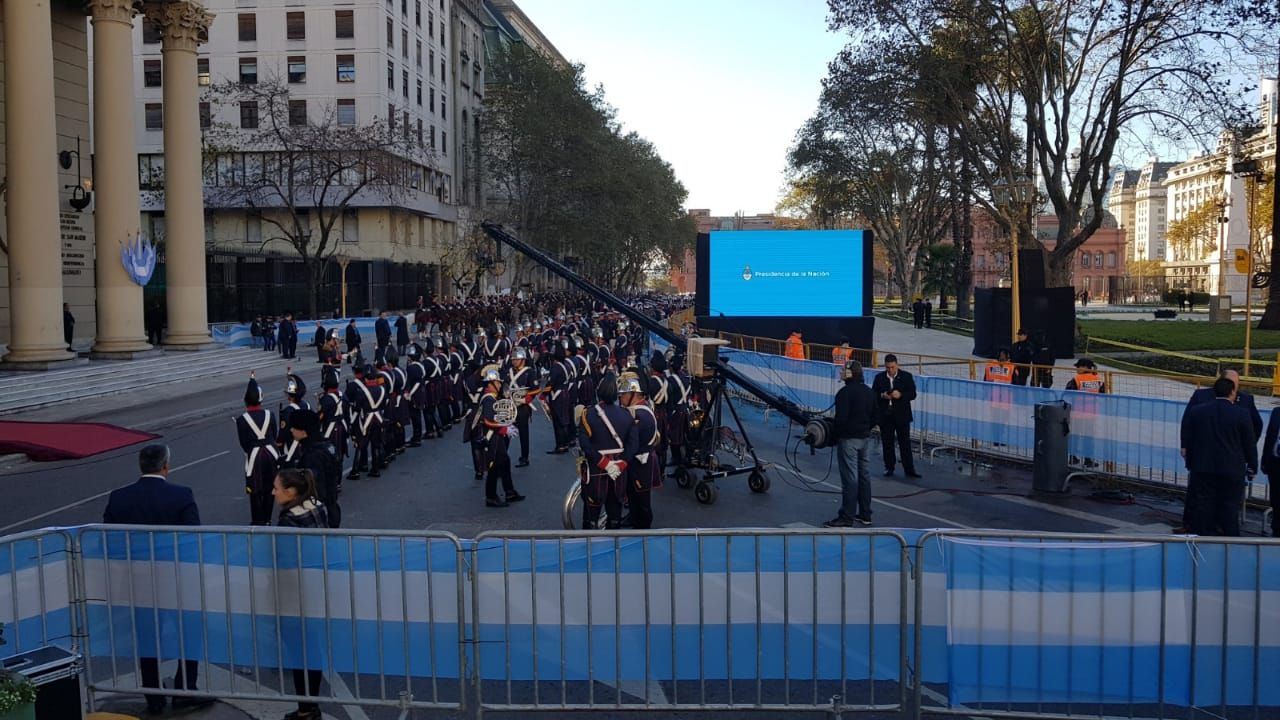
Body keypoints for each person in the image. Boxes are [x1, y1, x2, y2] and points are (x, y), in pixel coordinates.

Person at [103, 444, 213, 715]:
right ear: (166, 466)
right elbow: (191, 539)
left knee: (147, 638)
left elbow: (109, 542)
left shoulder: (119, 498)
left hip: (138, 581)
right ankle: (184, 689)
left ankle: (153, 696)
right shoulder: (181, 495)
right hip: (176, 580)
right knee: (189, 634)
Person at [272, 468, 330, 720]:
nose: (273, 492)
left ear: (291, 491)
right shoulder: (317, 504)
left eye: (277, 487)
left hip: (296, 595)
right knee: (311, 649)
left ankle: (306, 709)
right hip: (317, 586)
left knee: (299, 652)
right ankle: (312, 704)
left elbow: (286, 564)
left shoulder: (288, 520)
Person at [1181, 368, 1262, 531]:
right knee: (1227, 507)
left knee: (1205, 505)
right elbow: (1249, 441)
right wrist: (1251, 464)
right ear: (1230, 390)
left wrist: (1191, 462)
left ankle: (1204, 536)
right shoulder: (1240, 413)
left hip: (1204, 464)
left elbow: (1255, 429)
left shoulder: (1200, 410)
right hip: (1230, 467)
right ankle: (1227, 540)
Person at [577, 373, 637, 529]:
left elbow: (585, 444)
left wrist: (605, 463)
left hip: (596, 468)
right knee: (615, 511)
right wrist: (620, 464)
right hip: (619, 470)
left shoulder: (588, 413)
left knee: (591, 514)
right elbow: (633, 445)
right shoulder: (626, 415)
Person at [825, 359, 878, 527]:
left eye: (843, 370)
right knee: (864, 476)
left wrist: (833, 437)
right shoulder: (869, 392)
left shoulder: (844, 393)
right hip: (865, 439)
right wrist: (865, 429)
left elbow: (840, 420)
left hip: (849, 440)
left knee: (850, 478)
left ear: (850, 373)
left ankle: (846, 516)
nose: (841, 373)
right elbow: (876, 416)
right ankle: (865, 514)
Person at [282, 409, 342, 528]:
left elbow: (315, 488)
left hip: (320, 514)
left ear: (304, 432)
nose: (291, 429)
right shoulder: (327, 446)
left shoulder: (312, 456)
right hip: (332, 508)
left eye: (294, 427)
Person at [476, 364, 525, 507]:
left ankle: (509, 491)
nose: (499, 384)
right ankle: (490, 496)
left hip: (497, 436)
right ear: (490, 384)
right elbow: (488, 421)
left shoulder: (493, 397)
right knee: (494, 466)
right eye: (497, 382)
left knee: (504, 462)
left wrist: (507, 423)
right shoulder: (488, 399)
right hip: (492, 437)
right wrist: (505, 429)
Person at [236, 374, 279, 526]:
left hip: (254, 454)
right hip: (271, 453)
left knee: (255, 488)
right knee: (270, 486)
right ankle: (267, 517)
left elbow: (244, 443)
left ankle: (257, 519)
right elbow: (274, 434)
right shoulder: (270, 414)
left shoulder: (242, 419)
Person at [619, 371, 660, 529]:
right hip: (636, 458)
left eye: (623, 395)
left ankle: (643, 528)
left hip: (641, 461)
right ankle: (633, 517)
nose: (621, 399)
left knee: (642, 498)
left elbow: (630, 442)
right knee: (632, 493)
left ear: (632, 394)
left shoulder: (639, 415)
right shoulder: (640, 408)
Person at [872, 354, 920, 478]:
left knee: (905, 443)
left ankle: (909, 469)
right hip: (886, 415)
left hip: (901, 415)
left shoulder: (906, 377)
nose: (890, 370)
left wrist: (901, 395)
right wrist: (882, 396)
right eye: (888, 368)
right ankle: (889, 467)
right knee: (887, 443)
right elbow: (873, 395)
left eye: (892, 367)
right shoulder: (879, 378)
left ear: (897, 365)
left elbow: (913, 394)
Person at [507, 347, 536, 467]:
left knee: (524, 433)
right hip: (510, 405)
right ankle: (501, 456)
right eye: (513, 359)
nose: (513, 361)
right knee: (506, 432)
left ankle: (525, 457)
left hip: (523, 407)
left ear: (523, 359)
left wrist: (525, 399)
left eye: (516, 359)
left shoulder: (529, 372)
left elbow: (535, 390)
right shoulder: (509, 371)